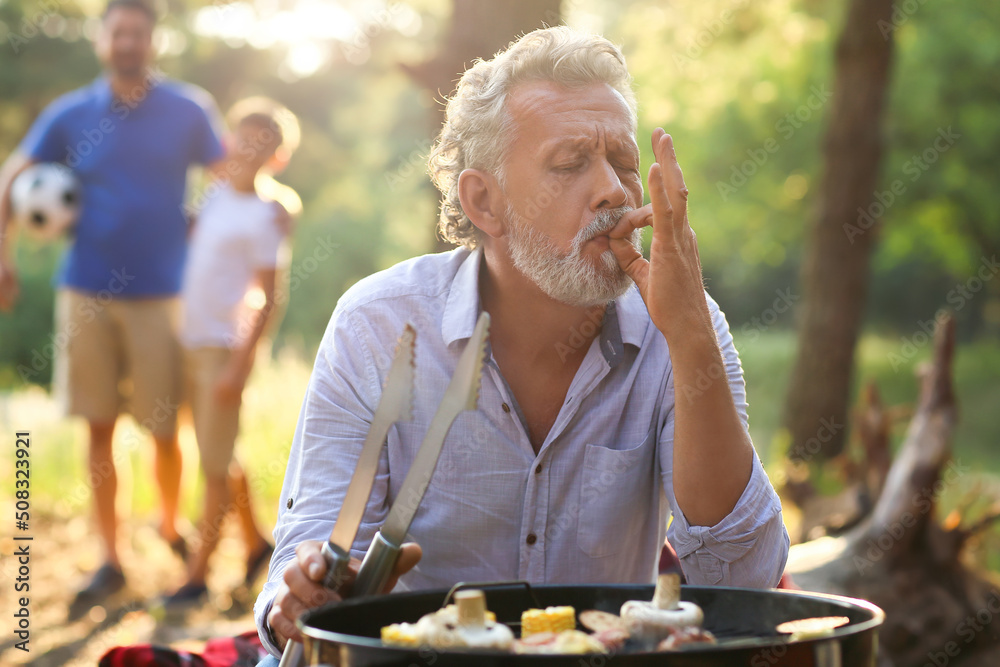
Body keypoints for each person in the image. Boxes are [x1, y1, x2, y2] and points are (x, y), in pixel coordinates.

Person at [254, 26, 790, 660]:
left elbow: (741, 581)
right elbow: (311, 556)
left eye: (622, 162)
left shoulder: (682, 328)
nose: (614, 191)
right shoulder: (377, 326)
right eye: (569, 164)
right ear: (484, 200)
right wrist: (312, 588)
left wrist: (691, 341)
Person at [0, 0, 226, 616]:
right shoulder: (70, 114)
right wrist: (5, 255)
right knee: (97, 426)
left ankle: (169, 525)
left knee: (164, 428)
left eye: (138, 32)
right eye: (117, 31)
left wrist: (239, 226)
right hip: (87, 290)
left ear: (153, 41)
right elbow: (12, 173)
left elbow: (230, 176)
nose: (127, 41)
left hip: (165, 293)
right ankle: (109, 559)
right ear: (102, 40)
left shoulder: (189, 109)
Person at [161, 98, 300, 608]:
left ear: (278, 158)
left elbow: (270, 297)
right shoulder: (214, 193)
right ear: (228, 141)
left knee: (214, 466)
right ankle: (258, 540)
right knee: (219, 450)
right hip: (186, 340)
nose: (250, 149)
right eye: (243, 137)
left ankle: (198, 576)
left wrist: (239, 367)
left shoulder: (268, 215)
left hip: (224, 349)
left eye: (264, 144)